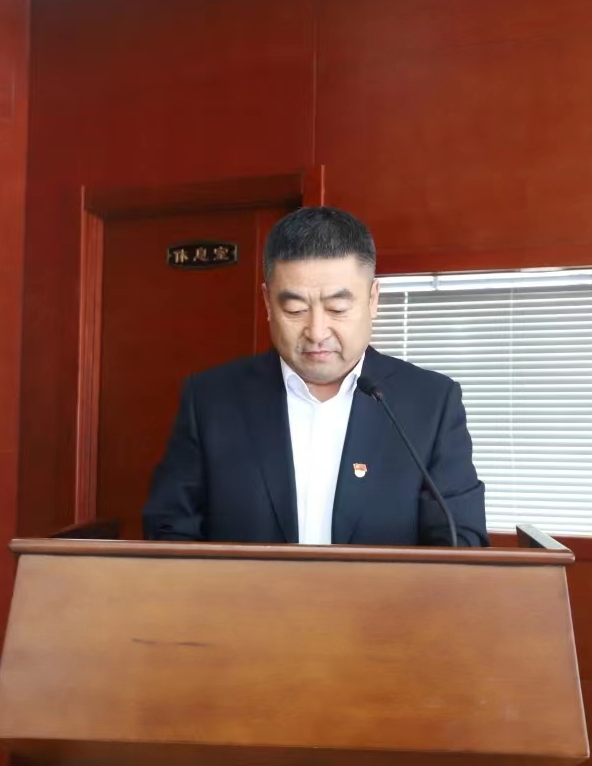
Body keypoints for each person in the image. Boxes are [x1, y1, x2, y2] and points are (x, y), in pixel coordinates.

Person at [142, 206, 488, 547]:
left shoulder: (430, 402)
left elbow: (461, 542)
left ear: (373, 300)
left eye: (337, 308)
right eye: (295, 309)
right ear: (267, 302)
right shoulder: (211, 400)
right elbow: (170, 532)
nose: (317, 331)